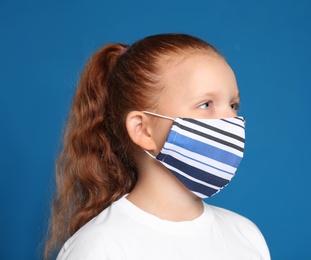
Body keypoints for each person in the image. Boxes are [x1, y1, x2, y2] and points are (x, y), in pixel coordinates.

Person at [44, 33, 270, 260]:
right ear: (143, 129)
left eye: (233, 105)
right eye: (206, 104)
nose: (230, 119)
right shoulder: (100, 248)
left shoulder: (246, 235)